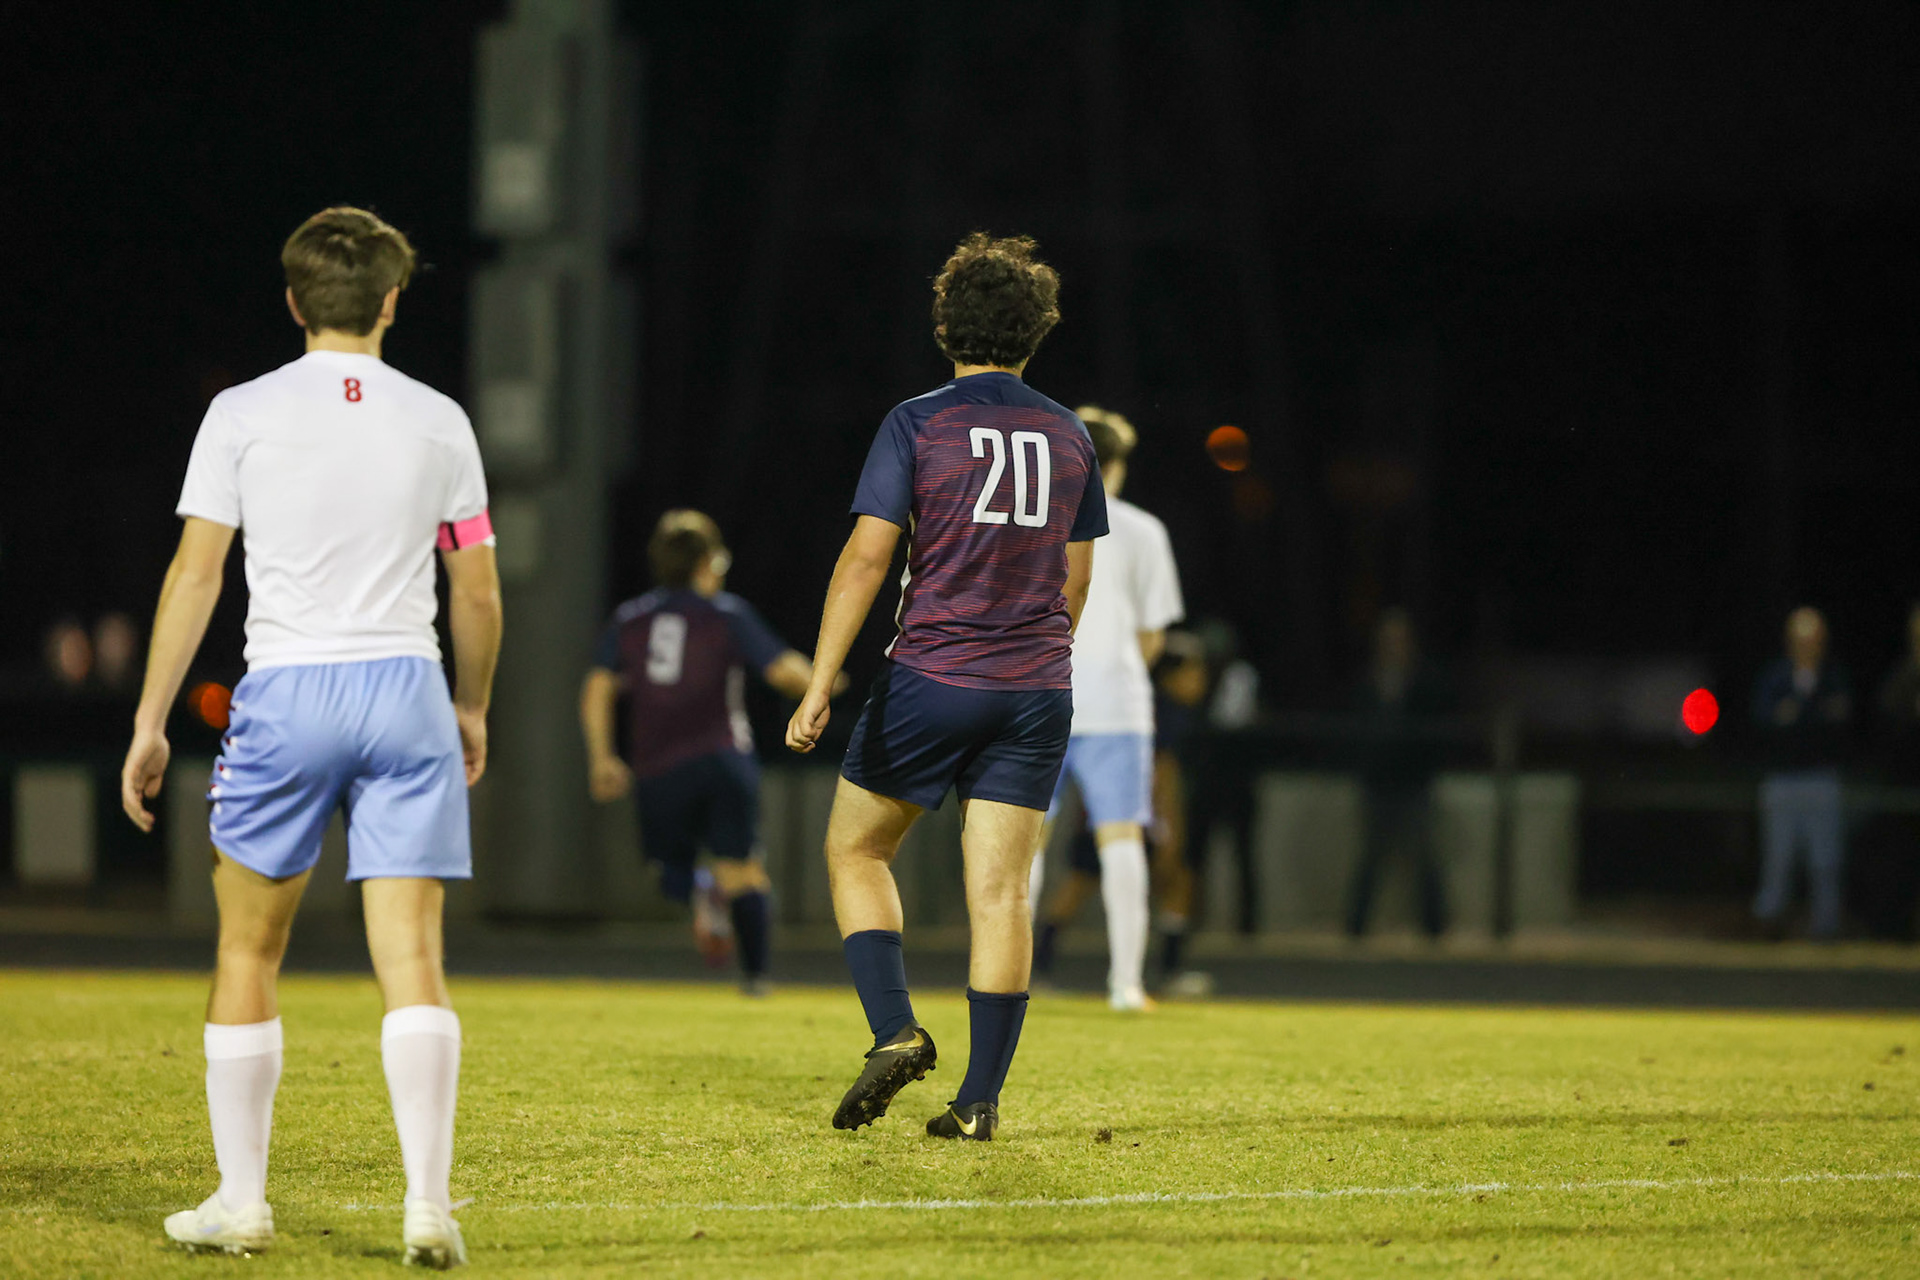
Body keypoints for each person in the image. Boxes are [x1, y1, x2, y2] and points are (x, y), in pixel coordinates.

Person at [119, 207, 500, 1266]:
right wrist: (470, 706)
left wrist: (151, 719)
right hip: (405, 685)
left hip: (287, 688)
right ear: (391, 300)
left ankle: (242, 1202)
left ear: (293, 303)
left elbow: (196, 572)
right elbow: (475, 588)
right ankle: (427, 1205)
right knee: (413, 955)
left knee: (247, 946)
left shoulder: (241, 412)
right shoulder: (440, 419)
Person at [785, 232, 1106, 1143]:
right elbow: (1075, 581)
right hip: (1038, 688)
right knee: (1002, 895)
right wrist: (1038, 663)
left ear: (944, 325)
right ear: (1036, 331)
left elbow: (867, 557)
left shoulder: (918, 421)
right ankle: (979, 1104)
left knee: (856, 851)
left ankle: (894, 1031)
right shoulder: (1071, 432)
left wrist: (820, 683)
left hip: (934, 674)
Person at [579, 510, 835, 993]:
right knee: (741, 868)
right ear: (708, 562)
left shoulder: (631, 618)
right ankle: (755, 976)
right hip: (721, 759)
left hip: (657, 766)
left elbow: (597, 686)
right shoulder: (726, 614)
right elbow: (781, 670)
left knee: (669, 875)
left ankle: (708, 897)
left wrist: (601, 756)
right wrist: (827, 683)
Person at [1026, 406, 1183, 1010]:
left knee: (1024, 842)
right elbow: (1153, 634)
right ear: (1115, 463)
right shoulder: (1143, 530)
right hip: (1116, 707)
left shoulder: (1035, 522)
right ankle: (1125, 984)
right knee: (1122, 840)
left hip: (1039, 699)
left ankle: (1004, 977)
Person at [1344, 609, 1452, 940]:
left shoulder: (1423, 679)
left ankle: (1435, 927)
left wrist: (1426, 769)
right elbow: (1357, 728)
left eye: (1400, 639)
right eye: (1388, 639)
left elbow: (1434, 729)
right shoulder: (1369, 679)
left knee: (1424, 856)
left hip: (1413, 783)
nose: (1394, 646)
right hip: (1378, 783)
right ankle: (1356, 927)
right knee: (1371, 856)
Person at [1751, 606, 1853, 940]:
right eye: (1800, 640)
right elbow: (1764, 722)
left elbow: (1840, 726)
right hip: (1782, 780)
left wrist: (1796, 717)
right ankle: (1769, 923)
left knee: (1825, 861)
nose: (1807, 646)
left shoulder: (1833, 676)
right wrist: (1809, 719)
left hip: (1822, 779)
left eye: (1813, 640)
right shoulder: (1775, 676)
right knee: (1778, 858)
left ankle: (1826, 927)